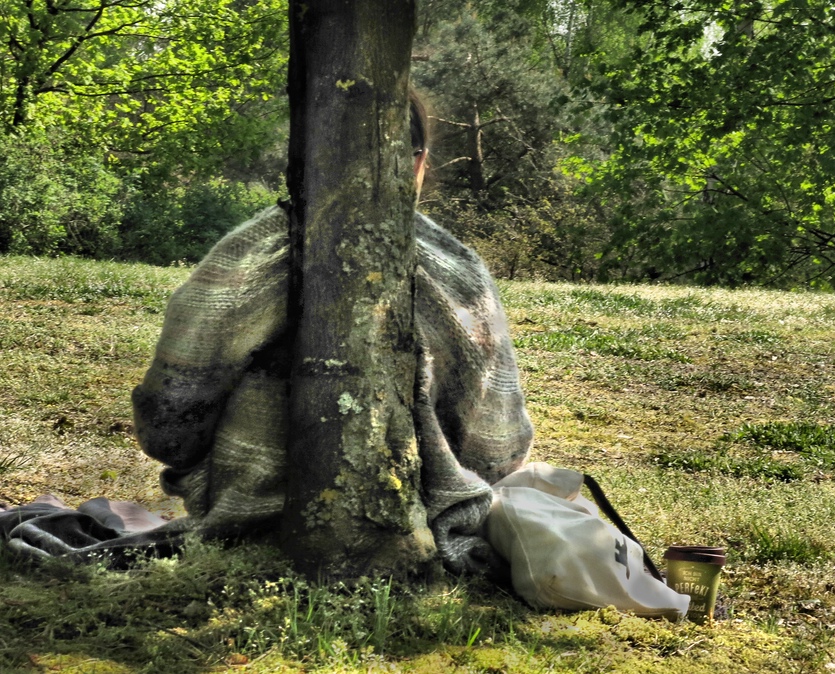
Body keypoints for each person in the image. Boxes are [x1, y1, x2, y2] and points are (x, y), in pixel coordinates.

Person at [3, 91, 534, 574]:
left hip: (245, 512)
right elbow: (498, 451)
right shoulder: (461, 275)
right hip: (419, 523)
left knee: (90, 516)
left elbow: (169, 421)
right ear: (418, 162)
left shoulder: (250, 255)